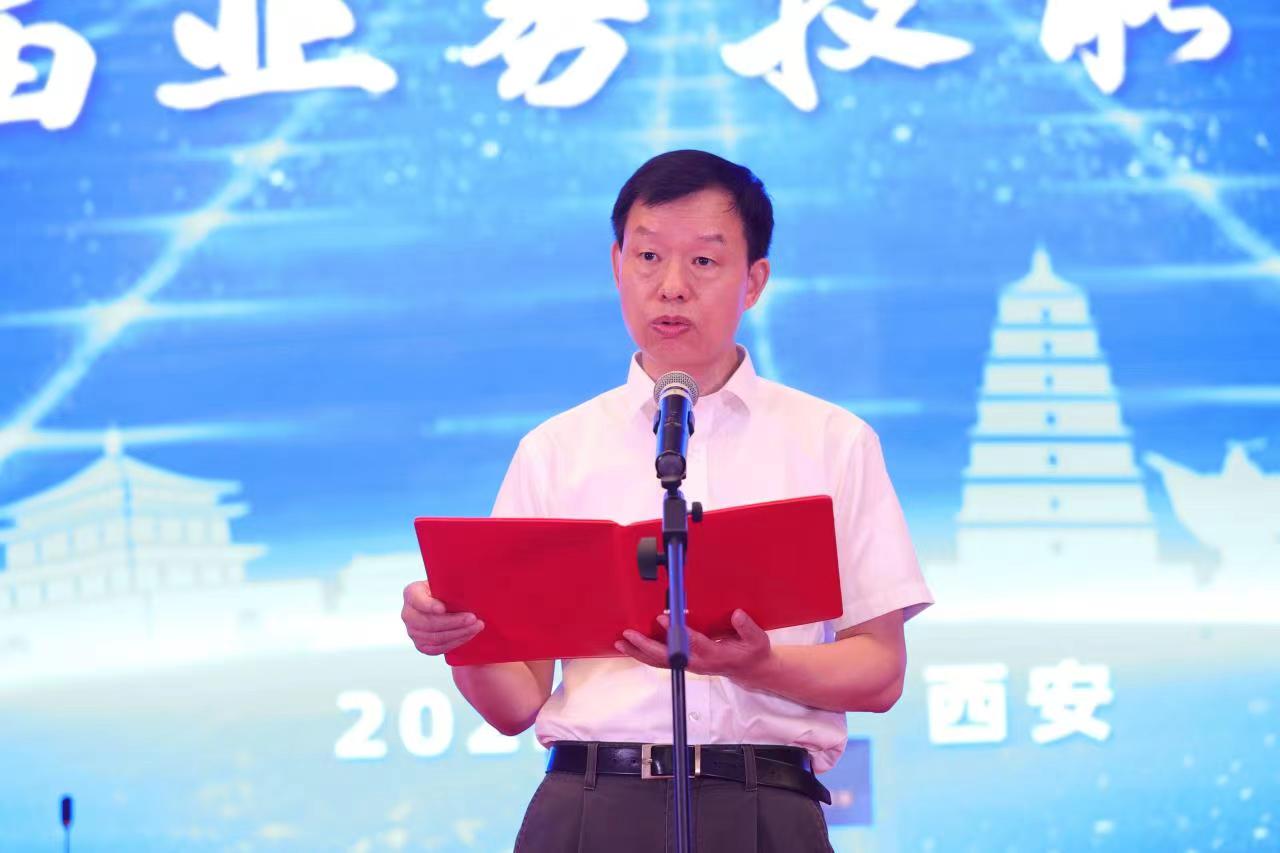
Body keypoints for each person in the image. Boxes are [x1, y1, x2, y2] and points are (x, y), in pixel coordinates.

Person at [401, 149, 933, 852]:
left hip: (764, 807)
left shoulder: (832, 441)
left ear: (754, 281)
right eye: (648, 257)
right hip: (592, 803)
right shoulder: (555, 450)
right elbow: (516, 702)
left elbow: (881, 671)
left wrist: (757, 664)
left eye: (704, 262)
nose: (672, 287)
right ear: (617, 265)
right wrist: (460, 638)